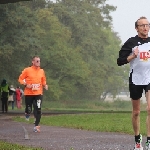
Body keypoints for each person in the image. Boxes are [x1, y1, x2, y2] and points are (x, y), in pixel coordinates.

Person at [117, 16, 150, 150]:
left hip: (149, 79)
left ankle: (149, 140)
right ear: (136, 28)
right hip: (135, 79)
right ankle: (137, 139)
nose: (145, 27)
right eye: (142, 25)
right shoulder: (131, 42)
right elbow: (119, 61)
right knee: (136, 112)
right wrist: (133, 56)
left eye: (147, 25)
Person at [18, 56, 48, 132]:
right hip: (29, 93)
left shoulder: (41, 71)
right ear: (33, 62)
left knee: (38, 109)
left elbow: (43, 80)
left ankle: (36, 126)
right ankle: (27, 113)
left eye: (39, 61)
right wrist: (26, 84)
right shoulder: (27, 70)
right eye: (37, 61)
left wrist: (45, 85)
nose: (39, 63)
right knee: (29, 109)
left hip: (38, 93)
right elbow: (20, 79)